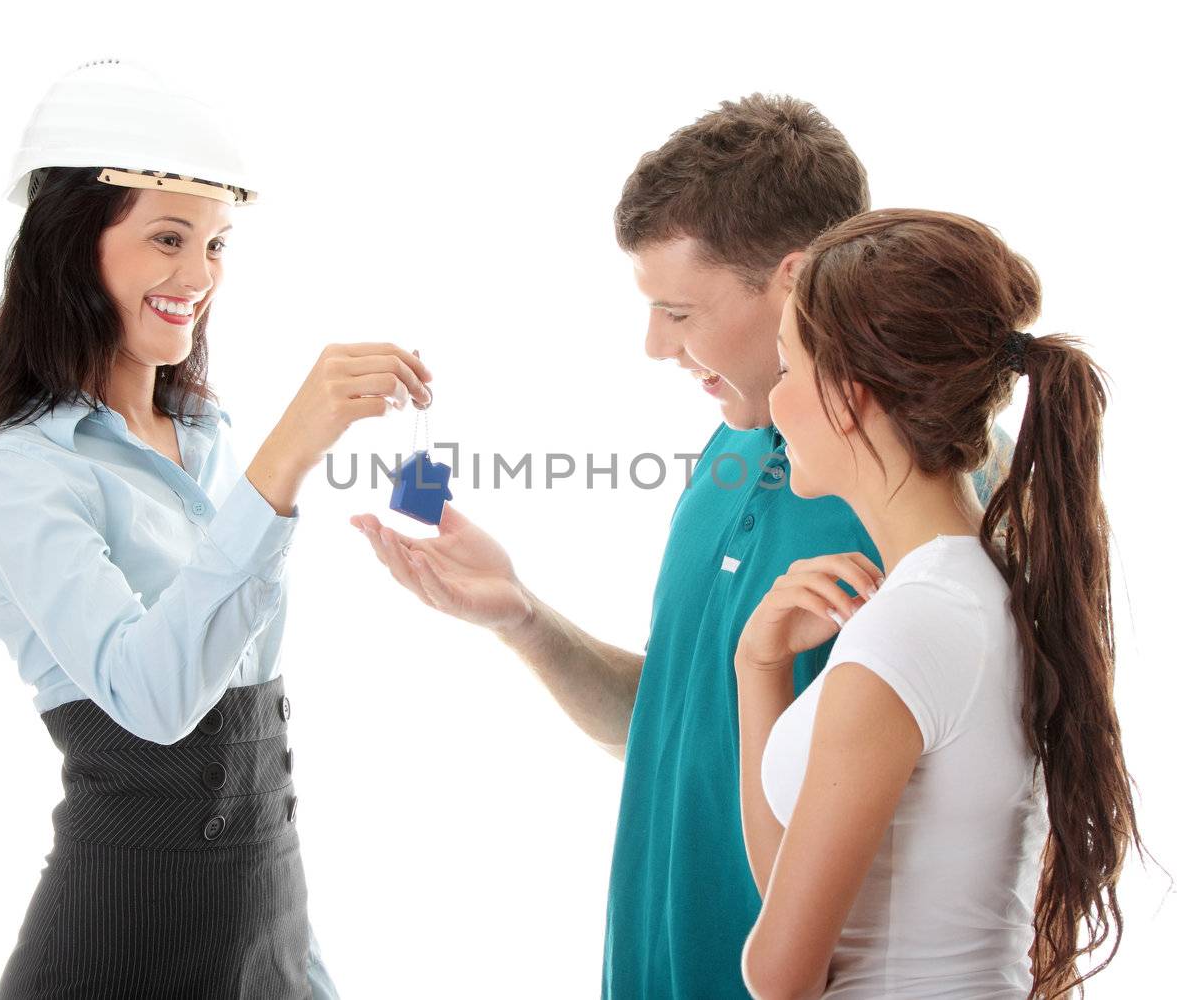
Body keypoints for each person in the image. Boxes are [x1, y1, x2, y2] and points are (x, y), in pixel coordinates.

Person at [350, 96, 1012, 997]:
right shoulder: (732, 451)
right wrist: (525, 619)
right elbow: (674, 722)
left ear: (791, 280)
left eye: (679, 310)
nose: (655, 344)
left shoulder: (952, 492)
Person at [0, 60, 432, 999]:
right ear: (71, 247)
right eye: (168, 238)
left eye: (216, 245)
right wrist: (287, 460)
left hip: (264, 932)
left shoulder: (209, 443)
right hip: (116, 945)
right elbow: (156, 696)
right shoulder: (23, 470)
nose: (199, 275)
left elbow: (256, 793)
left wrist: (300, 962)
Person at [737, 209, 1145, 998]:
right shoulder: (989, 593)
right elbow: (795, 901)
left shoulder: (906, 631)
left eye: (787, 370)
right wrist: (758, 667)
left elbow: (781, 972)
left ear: (850, 397)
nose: (773, 400)